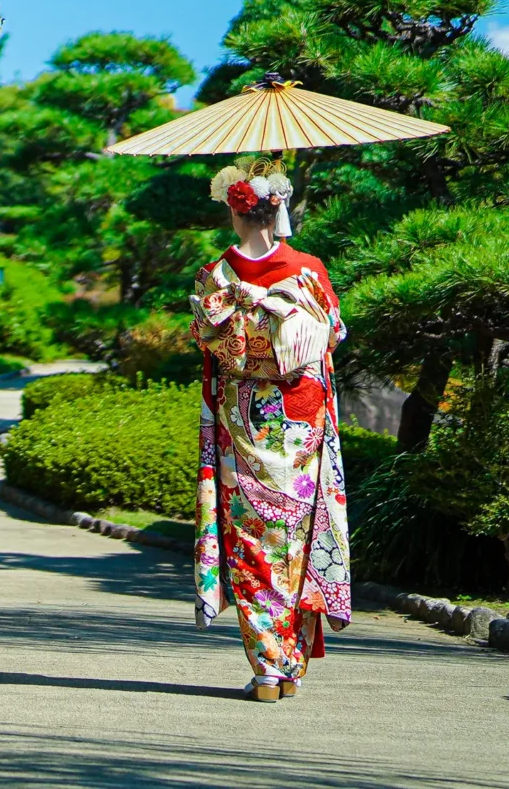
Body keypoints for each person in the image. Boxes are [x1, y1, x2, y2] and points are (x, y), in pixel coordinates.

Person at [189, 159, 352, 701]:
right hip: (302, 420)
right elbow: (334, 334)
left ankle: (267, 668)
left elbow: (206, 343)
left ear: (234, 212)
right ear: (278, 208)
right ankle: (291, 665)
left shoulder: (216, 276)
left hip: (242, 423)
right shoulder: (308, 269)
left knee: (253, 541)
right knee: (298, 540)